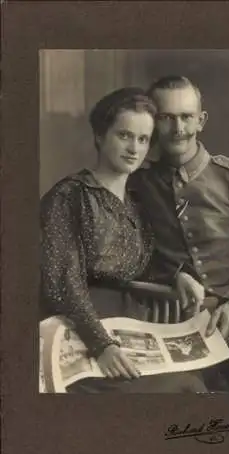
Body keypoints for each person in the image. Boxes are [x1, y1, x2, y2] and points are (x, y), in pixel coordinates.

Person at [40, 86, 208, 394]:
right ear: (100, 136)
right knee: (183, 390)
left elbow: (139, 263)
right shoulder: (69, 196)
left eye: (143, 139)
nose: (134, 147)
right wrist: (102, 345)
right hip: (81, 334)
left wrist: (177, 275)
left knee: (196, 383)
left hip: (131, 328)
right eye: (124, 135)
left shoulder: (136, 202)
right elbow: (63, 283)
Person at [129, 75, 229, 392]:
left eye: (186, 117)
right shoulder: (136, 185)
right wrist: (172, 275)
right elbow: (126, 254)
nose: (178, 128)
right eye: (166, 118)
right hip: (169, 320)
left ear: (201, 120)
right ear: (151, 122)